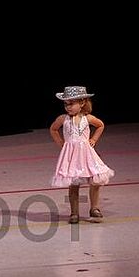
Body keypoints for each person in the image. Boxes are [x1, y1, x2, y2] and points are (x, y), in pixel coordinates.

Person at [50, 86, 114, 223]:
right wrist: (62, 143)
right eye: (66, 104)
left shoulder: (88, 118)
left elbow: (100, 125)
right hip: (71, 156)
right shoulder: (63, 119)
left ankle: (94, 208)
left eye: (71, 104)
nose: (68, 107)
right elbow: (53, 129)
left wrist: (93, 139)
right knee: (73, 184)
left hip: (86, 154)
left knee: (95, 181)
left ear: (82, 103)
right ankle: (74, 213)